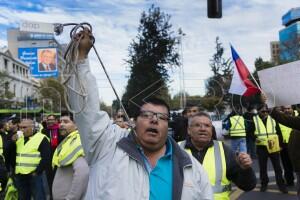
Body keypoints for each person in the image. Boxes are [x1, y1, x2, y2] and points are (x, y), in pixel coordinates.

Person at [66, 28, 213, 200]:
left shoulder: (190, 167)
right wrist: (81, 59)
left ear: (168, 125)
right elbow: (87, 114)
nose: (154, 120)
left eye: (162, 117)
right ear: (134, 121)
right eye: (147, 115)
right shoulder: (106, 146)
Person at [179, 112, 256, 199]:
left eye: (207, 126)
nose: (203, 129)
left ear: (212, 130)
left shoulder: (224, 150)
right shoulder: (176, 149)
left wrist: (245, 169)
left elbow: (247, 186)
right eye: (197, 125)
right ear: (189, 130)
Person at [247, 105, 288, 193]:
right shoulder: (254, 120)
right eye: (263, 111)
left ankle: (281, 185)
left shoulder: (272, 118)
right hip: (262, 147)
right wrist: (255, 138)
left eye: (267, 111)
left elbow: (278, 132)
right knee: (263, 167)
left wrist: (280, 145)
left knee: (278, 167)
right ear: (258, 111)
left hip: (273, 146)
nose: (265, 113)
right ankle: (264, 184)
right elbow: (249, 132)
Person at [52, 114, 89, 200]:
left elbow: (82, 172)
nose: (61, 124)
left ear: (76, 125)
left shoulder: (77, 141)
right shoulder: (69, 140)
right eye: (60, 121)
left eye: (66, 122)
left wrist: (70, 198)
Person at [12, 119, 51, 200]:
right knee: (23, 197)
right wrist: (12, 141)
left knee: (39, 197)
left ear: (32, 127)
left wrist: (37, 172)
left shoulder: (42, 138)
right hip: (20, 175)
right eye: (20, 127)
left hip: (34, 175)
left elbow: (46, 157)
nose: (22, 130)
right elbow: (9, 153)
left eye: (24, 127)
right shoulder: (19, 138)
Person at [277, 105, 295, 186]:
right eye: (285, 109)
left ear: (292, 109)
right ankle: (289, 181)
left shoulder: (297, 117)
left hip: (296, 145)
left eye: (289, 108)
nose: (287, 110)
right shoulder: (280, 119)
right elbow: (277, 133)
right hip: (284, 145)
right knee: (286, 165)